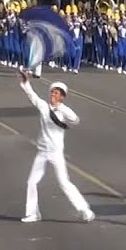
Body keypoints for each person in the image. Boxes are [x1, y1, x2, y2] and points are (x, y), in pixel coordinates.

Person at [19, 71, 94, 223]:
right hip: (42, 152)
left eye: (56, 93)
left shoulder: (64, 110)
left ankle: (85, 210)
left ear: (62, 96)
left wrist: (61, 108)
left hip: (55, 153)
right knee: (31, 182)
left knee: (64, 182)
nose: (53, 94)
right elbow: (32, 96)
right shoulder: (43, 106)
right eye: (52, 92)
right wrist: (26, 82)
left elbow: (75, 120)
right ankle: (33, 213)